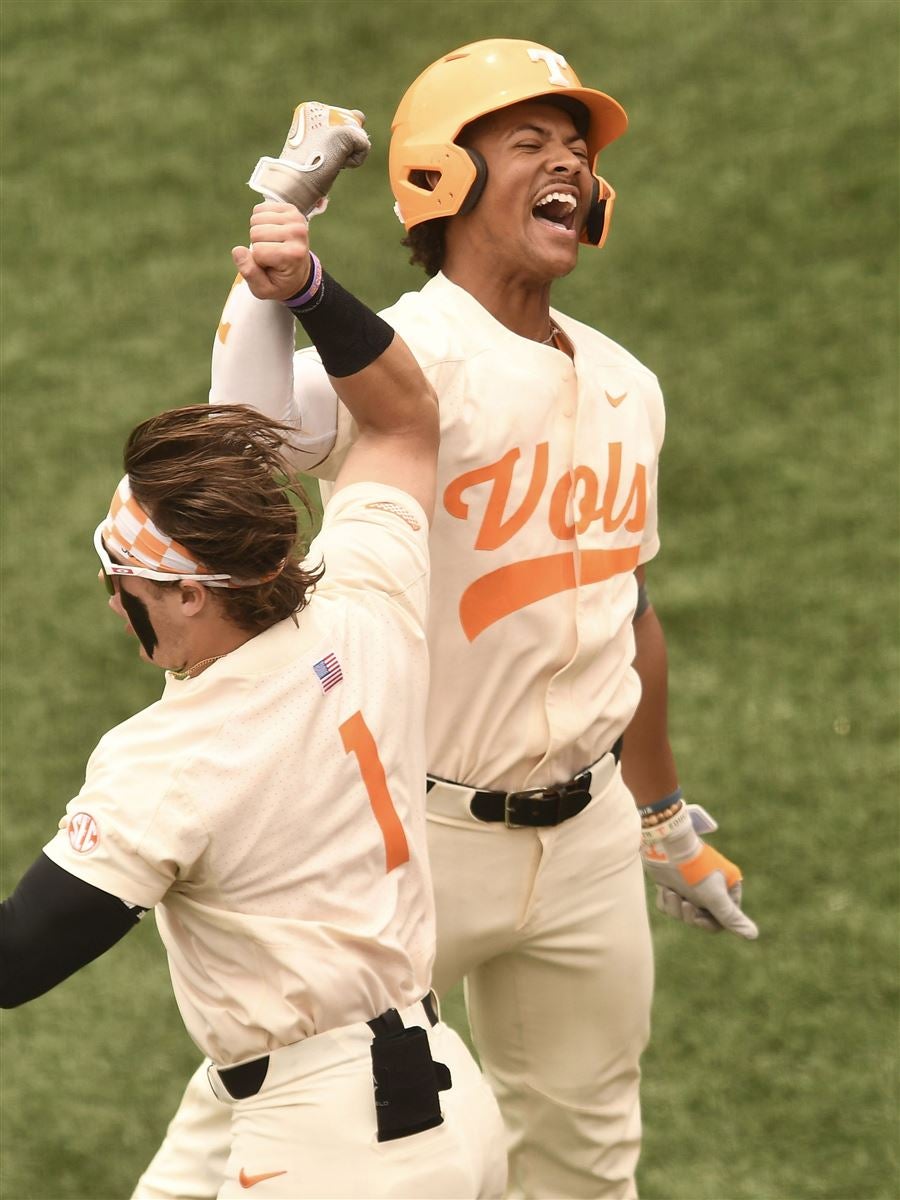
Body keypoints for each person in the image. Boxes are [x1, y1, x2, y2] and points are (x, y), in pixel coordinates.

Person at [137, 39, 759, 1200]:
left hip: (585, 848)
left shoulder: (631, 384)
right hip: (408, 838)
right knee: (273, 1103)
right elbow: (248, 435)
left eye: (578, 147)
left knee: (587, 1159)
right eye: (529, 142)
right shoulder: (407, 350)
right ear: (444, 179)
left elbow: (627, 609)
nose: (570, 162)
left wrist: (664, 821)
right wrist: (279, 240)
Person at [0, 208, 507, 1198]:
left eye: (126, 585)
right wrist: (310, 289)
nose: (113, 602)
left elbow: (18, 958)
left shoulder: (176, 759)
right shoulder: (363, 598)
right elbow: (405, 417)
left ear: (191, 593)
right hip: (442, 1100)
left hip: (329, 1153)